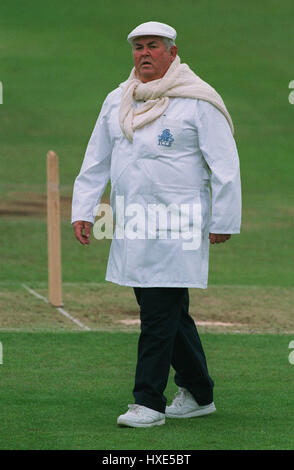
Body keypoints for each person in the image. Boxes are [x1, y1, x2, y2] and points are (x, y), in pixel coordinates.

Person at [71, 21, 242, 428]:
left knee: (158, 314)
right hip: (132, 223)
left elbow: (225, 166)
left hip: (178, 225)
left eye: (153, 47)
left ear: (172, 51)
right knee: (166, 311)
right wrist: (83, 208)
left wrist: (224, 219)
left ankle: (147, 401)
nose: (144, 54)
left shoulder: (198, 100)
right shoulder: (118, 99)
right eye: (138, 47)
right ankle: (199, 391)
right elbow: (97, 157)